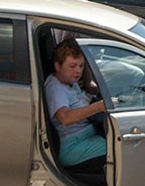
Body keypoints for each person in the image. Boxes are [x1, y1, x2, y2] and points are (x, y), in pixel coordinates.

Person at [44, 39, 106, 168]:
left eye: (81, 66)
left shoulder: (69, 81)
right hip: (73, 145)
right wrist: (98, 107)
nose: (78, 71)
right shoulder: (55, 88)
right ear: (57, 66)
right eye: (72, 66)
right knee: (119, 148)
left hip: (87, 135)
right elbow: (65, 117)